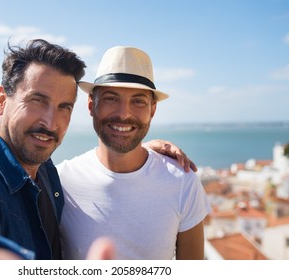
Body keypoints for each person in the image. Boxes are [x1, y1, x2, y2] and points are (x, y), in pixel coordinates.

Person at [0, 39, 195, 260]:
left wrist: (139, 149)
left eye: (64, 107)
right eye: (37, 100)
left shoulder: (46, 170)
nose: (50, 122)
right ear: (3, 99)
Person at [58, 46, 211, 260]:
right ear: (91, 104)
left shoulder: (182, 181)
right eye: (111, 98)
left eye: (138, 101)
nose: (124, 114)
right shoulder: (60, 181)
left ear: (153, 110)